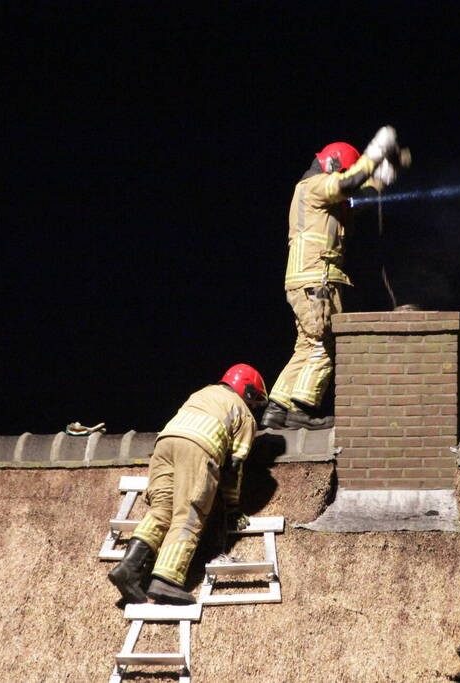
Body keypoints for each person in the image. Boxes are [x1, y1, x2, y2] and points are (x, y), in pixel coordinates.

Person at [261, 126, 404, 430]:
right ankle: (302, 408)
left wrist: (381, 178)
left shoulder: (314, 193)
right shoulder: (315, 186)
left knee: (306, 345)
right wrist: (375, 152)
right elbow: (348, 183)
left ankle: (278, 407)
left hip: (306, 281)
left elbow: (355, 192)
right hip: (317, 282)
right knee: (325, 344)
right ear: (334, 165)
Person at [108, 363, 267, 605]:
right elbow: (234, 466)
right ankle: (166, 580)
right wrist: (233, 507)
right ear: (246, 391)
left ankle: (128, 568)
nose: (254, 405)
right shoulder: (243, 414)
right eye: (255, 399)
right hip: (199, 448)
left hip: (164, 444)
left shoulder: (201, 393)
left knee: (161, 510)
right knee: (190, 513)